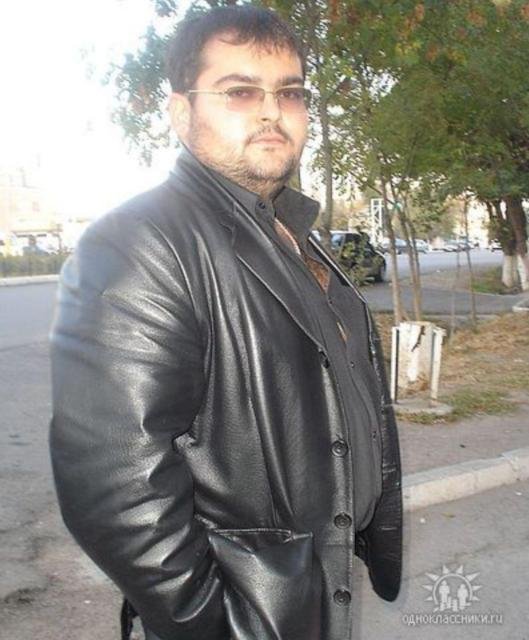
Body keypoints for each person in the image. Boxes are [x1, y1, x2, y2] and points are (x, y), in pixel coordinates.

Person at [49, 6, 402, 640]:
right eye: (239, 91)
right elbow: (115, 488)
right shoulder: (141, 243)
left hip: (313, 584)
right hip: (248, 606)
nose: (272, 112)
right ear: (180, 111)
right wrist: (218, 624)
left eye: (289, 93)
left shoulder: (288, 229)